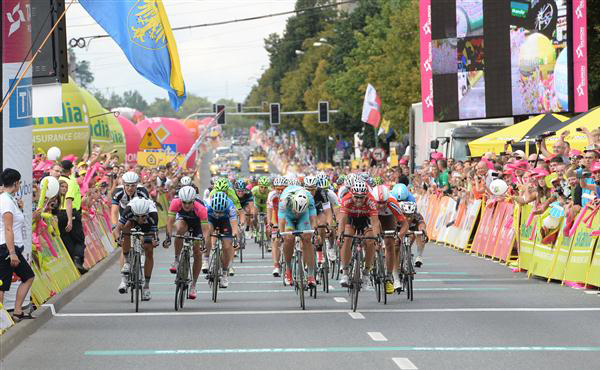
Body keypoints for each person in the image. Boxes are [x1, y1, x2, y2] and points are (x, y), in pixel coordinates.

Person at [0, 169, 35, 322]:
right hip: (6, 248)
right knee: (2, 285)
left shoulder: (10, 198)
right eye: (19, 182)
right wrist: (12, 252)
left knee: (28, 276)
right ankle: (2, 319)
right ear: (15, 183)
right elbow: (8, 228)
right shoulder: (6, 201)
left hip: (12, 247)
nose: (20, 185)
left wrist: (20, 208)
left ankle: (17, 311)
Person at [164, 186, 211, 300]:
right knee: (180, 229)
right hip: (184, 220)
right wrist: (168, 237)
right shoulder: (175, 203)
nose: (186, 205)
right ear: (180, 200)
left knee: (197, 252)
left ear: (193, 200)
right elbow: (170, 222)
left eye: (189, 203)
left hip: (197, 225)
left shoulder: (200, 208)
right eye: (184, 202)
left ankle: (193, 285)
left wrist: (204, 244)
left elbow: (205, 230)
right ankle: (176, 260)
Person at [112, 197, 159, 301]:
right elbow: (117, 229)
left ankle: (146, 286)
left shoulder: (153, 215)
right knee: (125, 229)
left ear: (146, 213)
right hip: (130, 221)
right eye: (137, 216)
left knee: (149, 250)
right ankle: (127, 261)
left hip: (148, 225)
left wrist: (154, 241)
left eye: (142, 216)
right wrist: (118, 239)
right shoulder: (128, 211)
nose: (139, 219)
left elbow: (155, 235)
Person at [337, 180, 381, 288]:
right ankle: (345, 272)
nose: (359, 200)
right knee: (346, 238)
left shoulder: (371, 201)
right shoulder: (346, 199)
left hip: (365, 219)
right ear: (351, 194)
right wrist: (340, 236)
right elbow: (342, 220)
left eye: (362, 197)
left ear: (366, 196)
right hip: (351, 219)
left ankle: (366, 272)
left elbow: (375, 222)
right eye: (356, 197)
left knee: (370, 240)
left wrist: (377, 238)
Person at [111, 171, 150, 293]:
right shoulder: (118, 192)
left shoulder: (142, 192)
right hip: (125, 215)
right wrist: (114, 226)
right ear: (123, 184)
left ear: (137, 185)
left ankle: (141, 252)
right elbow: (114, 212)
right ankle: (123, 280)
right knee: (124, 244)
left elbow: (147, 211)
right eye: (127, 185)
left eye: (133, 185)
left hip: (140, 215)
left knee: (144, 237)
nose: (130, 188)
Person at [278, 184, 317, 287]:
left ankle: (310, 275)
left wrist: (314, 230)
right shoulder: (284, 200)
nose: (297, 213)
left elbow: (313, 216)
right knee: (288, 238)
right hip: (288, 216)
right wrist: (282, 234)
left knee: (307, 239)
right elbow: (281, 221)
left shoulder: (309, 197)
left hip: (304, 215)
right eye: (296, 210)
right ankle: (288, 269)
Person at [58, 160, 86, 273]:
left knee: (66, 238)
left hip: (59, 214)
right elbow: (69, 201)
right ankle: (77, 260)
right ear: (70, 170)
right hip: (71, 213)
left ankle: (73, 264)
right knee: (79, 240)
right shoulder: (71, 182)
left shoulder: (56, 181)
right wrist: (70, 219)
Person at [206, 191, 239, 288]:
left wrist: (234, 234)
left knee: (227, 246)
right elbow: (202, 223)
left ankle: (224, 273)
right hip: (211, 220)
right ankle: (206, 258)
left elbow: (234, 224)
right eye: (216, 211)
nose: (218, 214)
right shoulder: (207, 205)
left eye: (220, 212)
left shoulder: (230, 206)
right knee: (207, 232)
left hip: (225, 222)